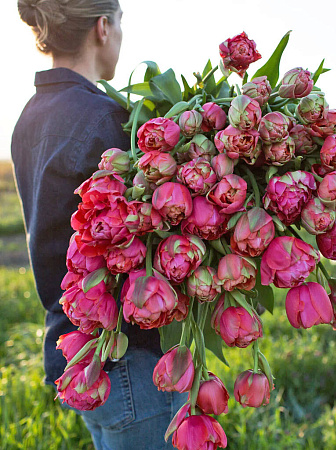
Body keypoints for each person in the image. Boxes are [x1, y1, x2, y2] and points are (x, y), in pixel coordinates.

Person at [12, 1, 186, 448]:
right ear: (103, 27)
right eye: (121, 22)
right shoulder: (106, 118)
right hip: (130, 357)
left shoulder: (28, 117)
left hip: (73, 351)